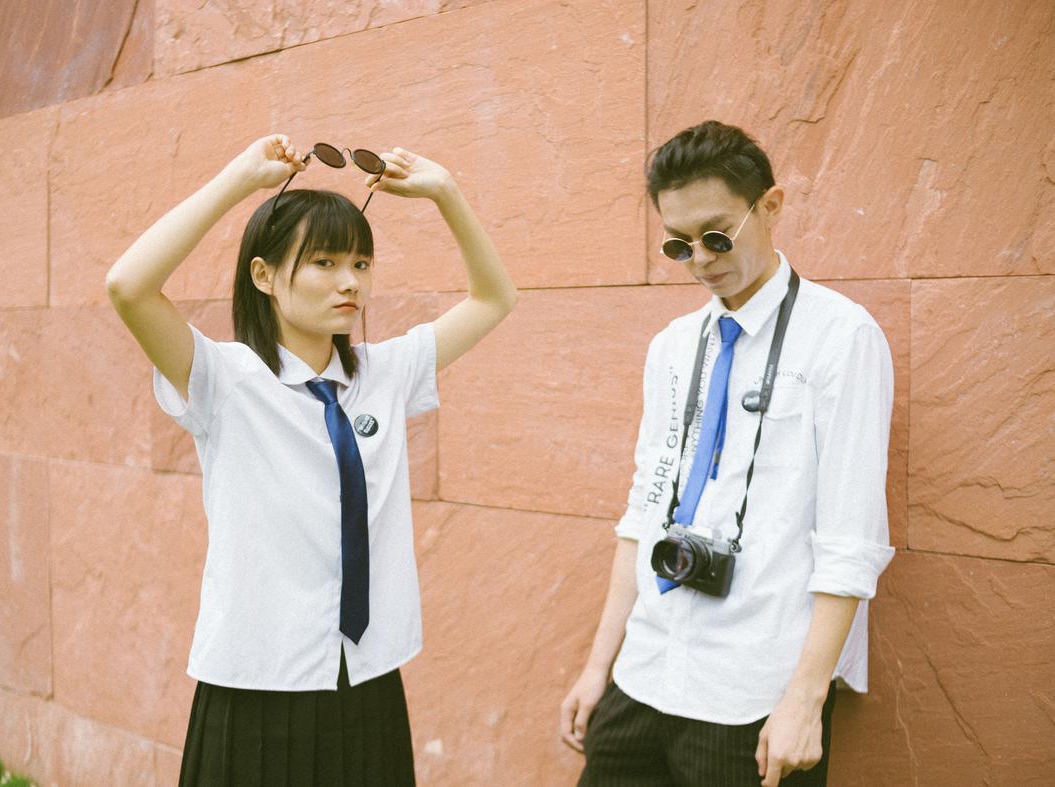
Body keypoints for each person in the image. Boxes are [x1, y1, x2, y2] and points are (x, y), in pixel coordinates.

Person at [106, 134, 516, 785]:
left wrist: (445, 192)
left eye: (361, 262)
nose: (350, 282)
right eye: (324, 262)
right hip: (259, 683)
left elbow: (495, 298)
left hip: (367, 677)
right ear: (263, 276)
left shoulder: (384, 373)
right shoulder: (225, 379)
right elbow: (128, 286)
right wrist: (239, 179)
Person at [559, 120, 895, 787]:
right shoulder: (672, 345)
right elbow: (643, 510)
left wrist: (804, 701)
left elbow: (851, 539)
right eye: (677, 244)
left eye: (717, 235)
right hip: (645, 672)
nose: (701, 260)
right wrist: (599, 666)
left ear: (770, 206)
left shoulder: (841, 338)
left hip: (754, 692)